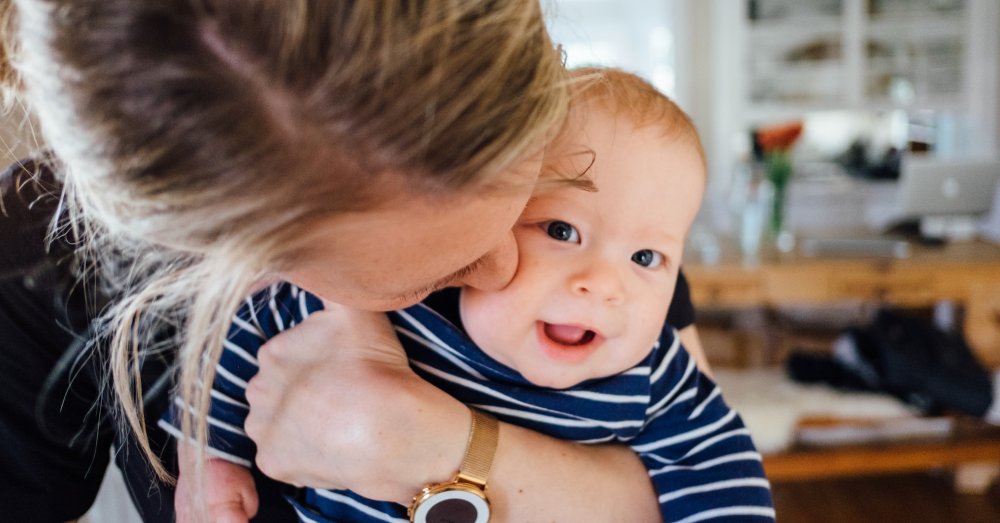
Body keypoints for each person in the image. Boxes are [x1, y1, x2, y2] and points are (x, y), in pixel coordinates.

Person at [0, 2, 708, 521]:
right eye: (436, 273)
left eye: (533, 211)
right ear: (233, 257)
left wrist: (441, 448)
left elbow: (702, 473)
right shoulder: (29, 272)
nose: (504, 268)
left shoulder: (603, 188)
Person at [168, 69, 775, 523]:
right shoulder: (400, 301)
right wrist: (209, 457)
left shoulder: (653, 371)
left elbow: (721, 471)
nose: (604, 283)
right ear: (491, 213)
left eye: (647, 258)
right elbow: (248, 328)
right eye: (562, 231)